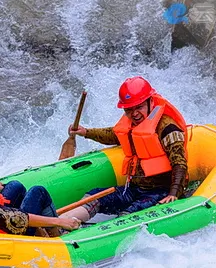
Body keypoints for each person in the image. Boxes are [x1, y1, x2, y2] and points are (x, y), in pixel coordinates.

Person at [60, 76, 188, 222]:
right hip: (134, 189)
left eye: (139, 107)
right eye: (129, 109)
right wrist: (86, 132)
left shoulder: (168, 128)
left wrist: (174, 193)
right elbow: (113, 135)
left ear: (150, 102)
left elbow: (179, 163)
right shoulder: (132, 124)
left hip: (160, 191)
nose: (134, 114)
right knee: (93, 197)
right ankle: (60, 224)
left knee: (128, 214)